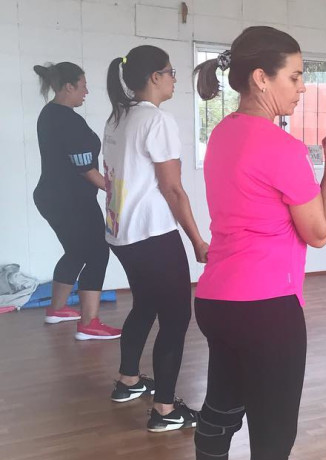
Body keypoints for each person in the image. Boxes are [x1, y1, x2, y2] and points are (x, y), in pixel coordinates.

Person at [192, 26, 326, 460]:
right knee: (272, 442)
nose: (302, 87)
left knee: (220, 408)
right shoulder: (282, 148)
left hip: (216, 301)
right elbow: (318, 232)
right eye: (296, 77)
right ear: (261, 78)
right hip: (267, 309)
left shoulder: (221, 133)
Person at [103, 45, 208, 431]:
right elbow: (173, 189)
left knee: (145, 304)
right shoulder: (156, 121)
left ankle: (128, 380)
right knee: (176, 318)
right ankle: (165, 410)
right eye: (171, 72)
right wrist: (197, 240)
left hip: (121, 233)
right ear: (154, 77)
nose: (175, 79)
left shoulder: (118, 116)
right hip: (152, 235)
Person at [32, 62, 121, 340]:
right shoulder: (67, 120)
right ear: (68, 86)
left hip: (53, 197)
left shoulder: (50, 113)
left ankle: (57, 309)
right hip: (71, 200)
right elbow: (86, 169)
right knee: (97, 252)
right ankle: (89, 323)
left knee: (75, 251)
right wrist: (116, 192)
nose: (86, 91)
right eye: (83, 86)